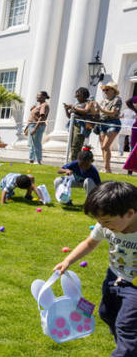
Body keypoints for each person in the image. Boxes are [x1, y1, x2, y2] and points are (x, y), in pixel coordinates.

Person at [52, 181, 137, 357]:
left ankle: (126, 349)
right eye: (99, 221)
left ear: (129, 214)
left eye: (106, 221)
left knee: (126, 325)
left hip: (135, 286)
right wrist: (68, 260)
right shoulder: (107, 224)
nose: (103, 226)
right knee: (106, 313)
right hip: (114, 277)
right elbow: (89, 243)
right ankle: (126, 344)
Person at [93, 82, 123, 173]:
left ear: (113, 90)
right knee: (103, 147)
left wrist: (100, 108)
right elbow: (95, 113)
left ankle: (107, 168)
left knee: (106, 145)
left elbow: (112, 113)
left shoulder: (117, 100)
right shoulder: (103, 101)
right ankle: (106, 167)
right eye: (104, 90)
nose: (104, 91)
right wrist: (92, 106)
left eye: (107, 89)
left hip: (113, 123)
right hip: (102, 123)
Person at [64, 87, 96, 161]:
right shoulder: (77, 103)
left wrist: (73, 107)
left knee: (76, 144)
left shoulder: (87, 103)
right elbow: (70, 116)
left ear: (84, 95)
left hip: (80, 125)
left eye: (78, 96)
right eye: (76, 96)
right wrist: (66, 110)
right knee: (72, 144)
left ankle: (72, 162)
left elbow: (85, 111)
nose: (77, 98)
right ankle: (74, 161)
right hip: (72, 123)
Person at [26, 91, 50, 165]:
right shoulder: (39, 105)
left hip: (37, 125)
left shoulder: (44, 105)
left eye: (39, 95)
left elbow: (41, 117)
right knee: (31, 144)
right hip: (32, 124)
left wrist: (35, 128)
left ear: (44, 97)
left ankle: (38, 160)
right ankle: (31, 160)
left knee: (36, 143)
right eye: (37, 95)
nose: (37, 97)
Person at [123, 97, 137, 175]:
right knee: (133, 148)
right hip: (136, 128)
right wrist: (135, 110)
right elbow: (128, 101)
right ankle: (129, 170)